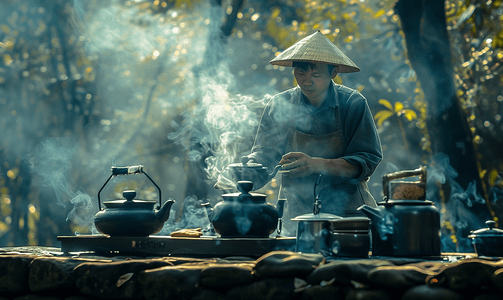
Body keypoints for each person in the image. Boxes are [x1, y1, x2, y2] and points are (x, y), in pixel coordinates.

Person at [245, 31, 383, 235]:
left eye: (316, 75)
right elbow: (265, 155)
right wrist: (246, 172)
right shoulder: (279, 105)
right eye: (301, 73)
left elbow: (366, 161)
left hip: (349, 220)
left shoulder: (353, 104)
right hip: (296, 218)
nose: (307, 81)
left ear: (333, 72)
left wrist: (316, 164)